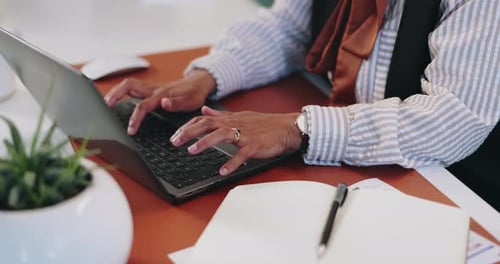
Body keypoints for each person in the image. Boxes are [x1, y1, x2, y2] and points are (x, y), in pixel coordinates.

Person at [105, 0, 499, 209]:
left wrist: (299, 128)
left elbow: (454, 118)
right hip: (362, 161)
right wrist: (206, 77)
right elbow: (289, 28)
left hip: (457, 187)